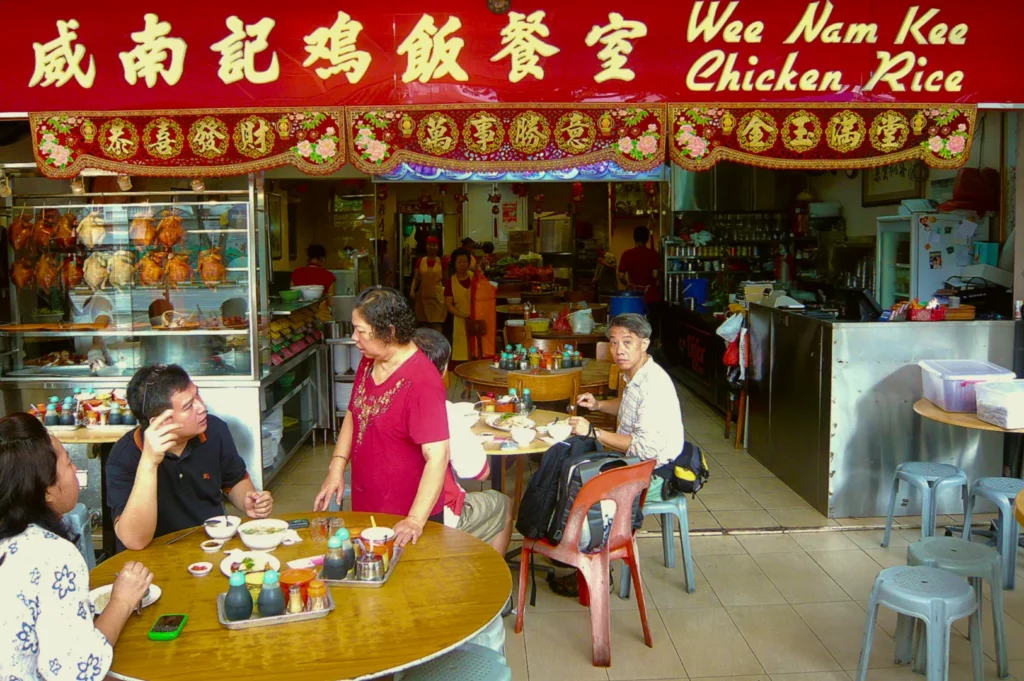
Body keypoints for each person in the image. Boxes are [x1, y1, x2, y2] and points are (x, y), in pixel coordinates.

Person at [1, 412, 154, 680]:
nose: (74, 471)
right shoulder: (51, 555)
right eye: (69, 463)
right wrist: (122, 600)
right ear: (47, 491)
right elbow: (77, 670)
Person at [548, 313, 684, 597]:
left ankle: (594, 572)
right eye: (613, 342)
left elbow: (644, 449)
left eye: (627, 342)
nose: (619, 349)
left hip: (653, 472)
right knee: (565, 460)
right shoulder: (638, 374)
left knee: (584, 486)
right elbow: (627, 406)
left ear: (644, 344)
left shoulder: (653, 385)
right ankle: (568, 543)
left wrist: (593, 432)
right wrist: (597, 404)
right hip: (636, 461)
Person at [314, 288, 450, 548]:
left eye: (361, 331)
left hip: (408, 517)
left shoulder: (422, 380)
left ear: (389, 332)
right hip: (369, 503)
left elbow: (438, 457)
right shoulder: (369, 361)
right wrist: (336, 469)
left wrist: (415, 520)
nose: (354, 338)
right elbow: (354, 414)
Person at [106, 364, 274, 551]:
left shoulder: (214, 430)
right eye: (188, 406)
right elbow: (134, 541)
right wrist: (149, 463)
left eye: (198, 395)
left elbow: (234, 480)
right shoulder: (124, 456)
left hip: (210, 546)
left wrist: (247, 500)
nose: (202, 407)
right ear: (161, 422)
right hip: (154, 558)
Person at [413, 328, 513, 554]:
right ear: (444, 370)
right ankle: (490, 585)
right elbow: (480, 472)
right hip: (438, 516)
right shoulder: (444, 412)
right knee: (503, 503)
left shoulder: (386, 401)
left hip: (393, 512)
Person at [410, 236, 446, 332]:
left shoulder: (442, 262)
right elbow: (416, 278)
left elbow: (446, 279)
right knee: (423, 324)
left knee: (436, 323)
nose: (432, 247)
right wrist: (412, 289)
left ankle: (439, 345)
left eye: (434, 245)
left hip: (437, 297)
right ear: (426, 246)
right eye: (430, 245)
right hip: (423, 296)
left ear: (438, 247)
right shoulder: (420, 261)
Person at [617, 226, 661, 305]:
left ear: (634, 237)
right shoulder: (653, 254)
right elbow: (655, 275)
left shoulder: (627, 254)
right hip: (652, 296)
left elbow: (620, 276)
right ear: (647, 239)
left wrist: (627, 284)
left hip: (634, 295)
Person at [445, 248, 474, 362]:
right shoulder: (450, 281)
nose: (463, 264)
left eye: (465, 261)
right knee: (460, 353)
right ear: (454, 264)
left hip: (475, 319)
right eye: (459, 262)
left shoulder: (474, 277)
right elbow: (449, 305)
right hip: (458, 320)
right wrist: (463, 315)